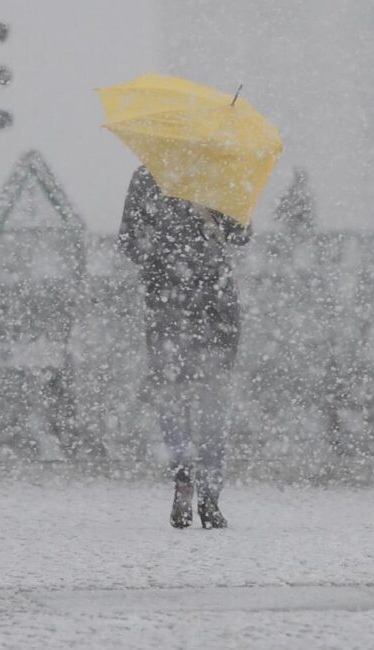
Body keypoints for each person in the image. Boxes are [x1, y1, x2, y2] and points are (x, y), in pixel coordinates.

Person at [118, 166, 250, 529]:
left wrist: (162, 255)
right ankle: (210, 495)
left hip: (166, 303)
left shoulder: (149, 173)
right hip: (216, 305)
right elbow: (241, 234)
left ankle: (183, 477)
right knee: (212, 401)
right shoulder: (222, 173)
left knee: (172, 395)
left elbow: (129, 241)